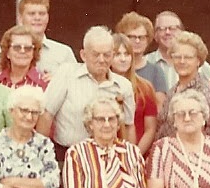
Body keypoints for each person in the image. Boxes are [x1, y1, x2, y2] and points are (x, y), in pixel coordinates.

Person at [37, 26, 136, 159]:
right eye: (96, 54)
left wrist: (129, 158)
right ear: (83, 55)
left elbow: (129, 125)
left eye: (107, 55)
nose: (102, 60)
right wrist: (40, 155)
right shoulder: (66, 74)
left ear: (112, 55)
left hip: (107, 158)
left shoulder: (123, 86)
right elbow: (47, 114)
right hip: (67, 155)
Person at [154, 31, 210, 140]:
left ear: (198, 61)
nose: (182, 61)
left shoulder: (205, 90)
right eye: (177, 57)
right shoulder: (172, 91)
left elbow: (200, 132)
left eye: (188, 57)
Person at [0, 0, 76, 81]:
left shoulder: (63, 52)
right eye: (31, 14)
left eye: (42, 14)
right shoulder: (3, 51)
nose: (37, 18)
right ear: (20, 18)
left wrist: (59, 81)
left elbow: (75, 84)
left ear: (48, 17)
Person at [111, 33, 158, 154]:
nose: (123, 59)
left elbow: (150, 129)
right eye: (117, 54)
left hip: (137, 152)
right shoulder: (102, 86)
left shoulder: (145, 87)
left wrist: (135, 155)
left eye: (127, 54)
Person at [146, 11, 210, 90]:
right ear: (155, 35)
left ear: (182, 32)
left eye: (172, 28)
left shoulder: (201, 65)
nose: (167, 32)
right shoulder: (146, 62)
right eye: (162, 29)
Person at [114, 11, 167, 108]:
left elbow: (160, 107)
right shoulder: (113, 69)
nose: (137, 41)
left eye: (141, 37)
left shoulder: (156, 71)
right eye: (132, 37)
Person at [0, 25, 47, 90]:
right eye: (17, 47)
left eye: (28, 48)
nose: (22, 51)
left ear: (33, 53)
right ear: (7, 52)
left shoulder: (44, 83)